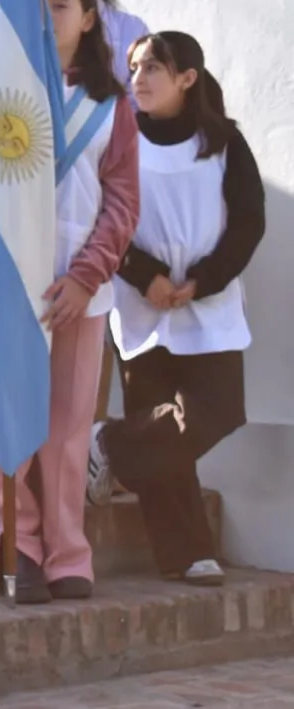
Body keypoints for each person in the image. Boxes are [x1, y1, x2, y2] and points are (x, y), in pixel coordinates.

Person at [0, 0, 139, 604]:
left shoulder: (112, 106)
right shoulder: (2, 93)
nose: (50, 15)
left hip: (81, 291)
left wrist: (84, 275)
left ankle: (70, 549)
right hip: (8, 287)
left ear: (89, 18)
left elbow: (122, 202)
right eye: (40, 4)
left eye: (62, 4)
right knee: (6, 417)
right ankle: (18, 544)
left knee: (70, 427)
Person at [89, 31, 264, 587]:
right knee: (164, 425)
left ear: (187, 78)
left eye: (153, 68)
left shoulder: (224, 142)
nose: (137, 77)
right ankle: (185, 552)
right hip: (143, 306)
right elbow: (105, 216)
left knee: (216, 411)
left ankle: (107, 443)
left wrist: (203, 280)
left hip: (207, 302)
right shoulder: (119, 140)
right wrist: (147, 277)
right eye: (135, 66)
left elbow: (248, 221)